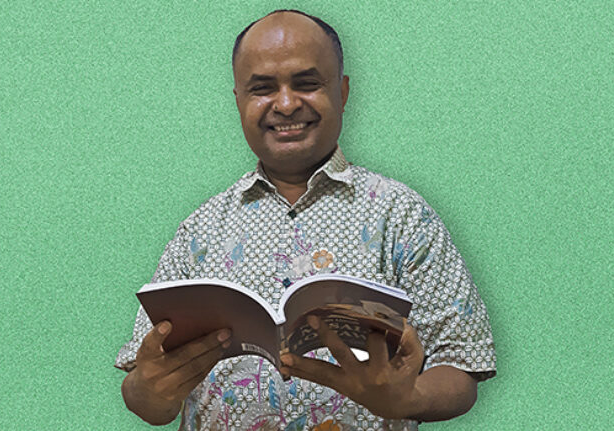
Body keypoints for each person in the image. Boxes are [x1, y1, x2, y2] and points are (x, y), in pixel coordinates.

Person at [115, 9, 496, 430]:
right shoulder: (199, 231)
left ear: (342, 92)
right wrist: (148, 392)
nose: (285, 104)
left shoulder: (403, 216)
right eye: (262, 88)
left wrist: (409, 398)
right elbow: (145, 393)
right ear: (239, 100)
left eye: (307, 83)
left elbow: (461, 366)